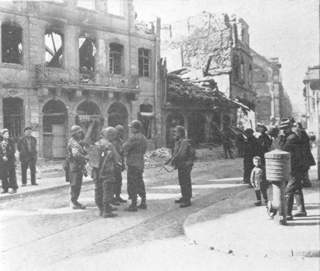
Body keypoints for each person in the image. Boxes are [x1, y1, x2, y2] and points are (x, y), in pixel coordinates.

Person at [279, 119, 309, 219]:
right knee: (296, 188)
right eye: (282, 129)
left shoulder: (291, 138)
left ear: (288, 128)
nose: (283, 130)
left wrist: (280, 138)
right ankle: (301, 210)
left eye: (284, 129)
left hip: (296, 167)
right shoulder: (289, 136)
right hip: (295, 166)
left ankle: (287, 213)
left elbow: (282, 149)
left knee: (289, 190)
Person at [94, 127, 119, 218]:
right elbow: (117, 159)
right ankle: (106, 211)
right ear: (111, 135)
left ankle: (101, 209)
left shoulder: (96, 144)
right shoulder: (109, 145)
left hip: (96, 171)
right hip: (107, 171)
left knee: (98, 190)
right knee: (107, 190)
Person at [123, 120, 148, 212]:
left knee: (132, 184)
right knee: (140, 182)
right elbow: (144, 150)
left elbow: (125, 147)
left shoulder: (133, 138)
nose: (130, 129)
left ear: (135, 128)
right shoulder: (144, 138)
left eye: (131, 127)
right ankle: (143, 202)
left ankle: (133, 204)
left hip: (133, 163)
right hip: (140, 162)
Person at [169, 125, 195, 208]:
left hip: (185, 164)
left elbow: (181, 154)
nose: (174, 133)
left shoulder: (184, 142)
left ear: (180, 133)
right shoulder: (178, 141)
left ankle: (187, 200)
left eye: (175, 132)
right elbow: (176, 153)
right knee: (182, 181)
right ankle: (185, 196)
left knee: (185, 182)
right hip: (182, 164)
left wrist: (173, 160)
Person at [67, 125, 88, 210]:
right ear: (74, 133)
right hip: (74, 166)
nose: (80, 134)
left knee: (77, 184)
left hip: (78, 166)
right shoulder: (73, 143)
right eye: (78, 132)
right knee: (75, 184)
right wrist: (86, 157)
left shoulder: (77, 142)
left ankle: (75, 201)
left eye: (80, 132)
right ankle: (74, 202)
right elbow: (76, 154)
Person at [0, 129, 18, 194]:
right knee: (3, 174)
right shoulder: (0, 141)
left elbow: (13, 150)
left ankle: (14, 188)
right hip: (2, 161)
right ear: (2, 135)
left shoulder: (11, 141)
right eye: (6, 134)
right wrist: (2, 156)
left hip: (10, 160)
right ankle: (5, 188)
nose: (7, 135)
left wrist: (6, 156)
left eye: (8, 134)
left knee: (12, 174)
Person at [113, 124, 126, 204]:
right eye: (119, 131)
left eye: (121, 131)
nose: (120, 133)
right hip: (113, 164)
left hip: (119, 164)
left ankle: (117, 196)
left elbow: (122, 154)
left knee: (119, 181)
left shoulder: (120, 141)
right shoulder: (112, 141)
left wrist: (123, 163)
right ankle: (112, 198)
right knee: (113, 181)